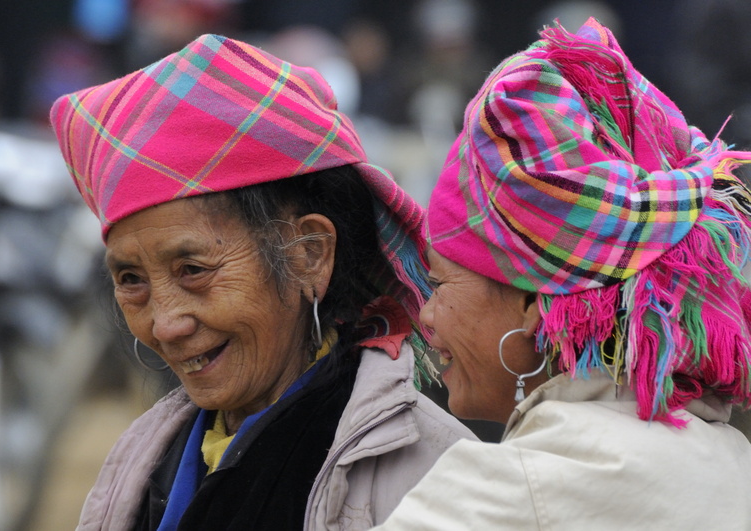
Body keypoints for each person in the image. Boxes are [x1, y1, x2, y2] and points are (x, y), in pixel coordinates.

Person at [49, 34, 476, 530]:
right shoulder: (141, 463)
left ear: (308, 254)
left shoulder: (432, 479)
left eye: (194, 270)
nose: (165, 325)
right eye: (131, 279)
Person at [373, 17, 751, 530]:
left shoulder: (506, 493)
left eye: (439, 285)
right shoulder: (732, 459)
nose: (427, 316)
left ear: (533, 302)